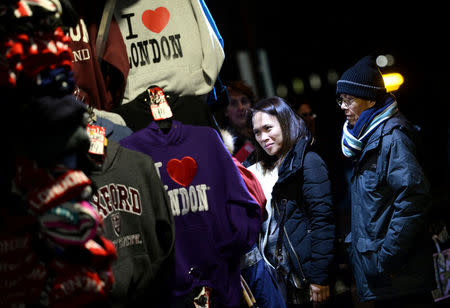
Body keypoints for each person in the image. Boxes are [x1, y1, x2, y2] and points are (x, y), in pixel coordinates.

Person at [336, 55, 434, 307]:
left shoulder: (392, 138)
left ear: (371, 100)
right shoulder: (366, 140)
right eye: (341, 100)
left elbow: (414, 198)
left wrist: (387, 258)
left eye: (350, 100)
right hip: (382, 279)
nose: (343, 107)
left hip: (399, 279)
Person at [246, 96, 335, 307]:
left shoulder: (308, 161)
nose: (263, 137)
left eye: (268, 128)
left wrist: (319, 278)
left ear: (285, 123)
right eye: (257, 132)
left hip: (306, 280)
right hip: (279, 282)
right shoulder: (257, 168)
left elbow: (323, 221)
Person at [223, 80, 257, 163]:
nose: (241, 107)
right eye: (234, 104)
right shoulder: (225, 144)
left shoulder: (264, 132)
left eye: (244, 101)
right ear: (226, 111)